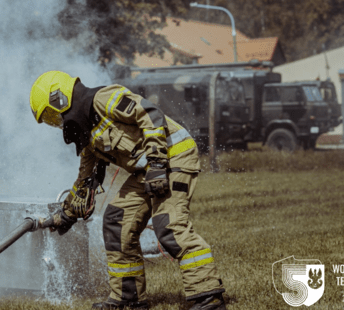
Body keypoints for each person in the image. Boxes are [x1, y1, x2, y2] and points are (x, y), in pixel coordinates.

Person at [29, 71, 226, 310]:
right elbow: (85, 179)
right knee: (116, 221)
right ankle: (128, 299)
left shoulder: (104, 98)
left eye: (51, 115)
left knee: (169, 224)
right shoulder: (89, 132)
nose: (56, 122)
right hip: (148, 171)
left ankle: (208, 297)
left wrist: (156, 164)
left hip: (174, 156)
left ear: (59, 98)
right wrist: (66, 215)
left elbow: (150, 114)